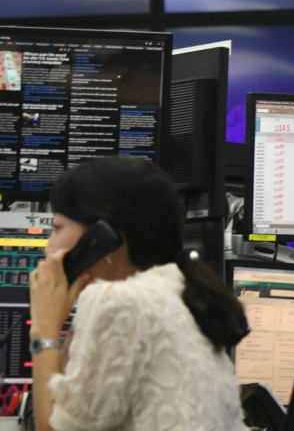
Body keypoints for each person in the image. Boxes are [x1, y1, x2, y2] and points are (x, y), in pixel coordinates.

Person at [29, 156, 250, 431]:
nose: (48, 246)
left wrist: (44, 328)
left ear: (104, 237)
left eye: (58, 227)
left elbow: (51, 428)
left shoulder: (119, 302)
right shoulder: (182, 291)